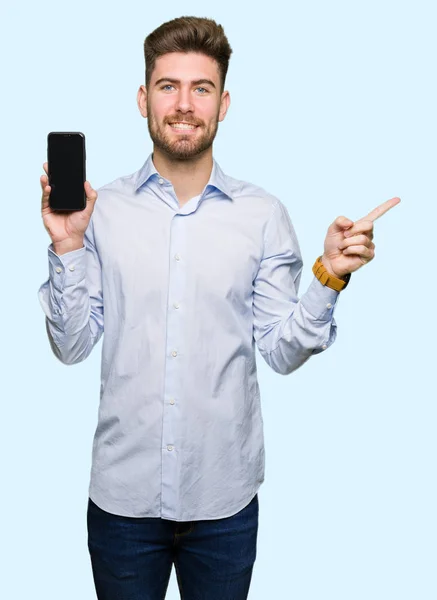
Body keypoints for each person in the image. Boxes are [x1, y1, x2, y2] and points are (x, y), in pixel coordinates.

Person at [38, 15, 400, 600]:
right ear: (142, 98)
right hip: (122, 504)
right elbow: (71, 345)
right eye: (168, 86)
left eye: (200, 88)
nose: (184, 104)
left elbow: (282, 351)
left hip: (224, 504)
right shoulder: (96, 212)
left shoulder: (262, 215)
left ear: (223, 103)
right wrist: (67, 243)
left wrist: (329, 275)